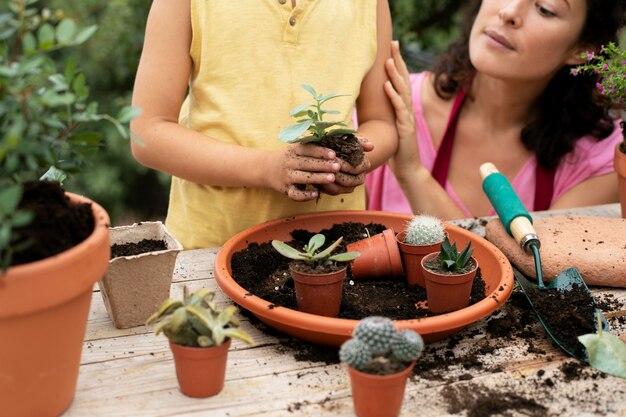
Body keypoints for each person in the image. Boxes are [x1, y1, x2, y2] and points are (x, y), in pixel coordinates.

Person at [130, 1, 397, 248]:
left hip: (335, 251)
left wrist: (347, 161)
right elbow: (148, 132)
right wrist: (267, 169)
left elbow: (381, 124)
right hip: (209, 251)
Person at [366, 0, 625, 219]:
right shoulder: (384, 111)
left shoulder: (601, 160)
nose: (509, 12)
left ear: (583, 49)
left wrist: (412, 174)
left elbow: (536, 271)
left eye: (545, 9)